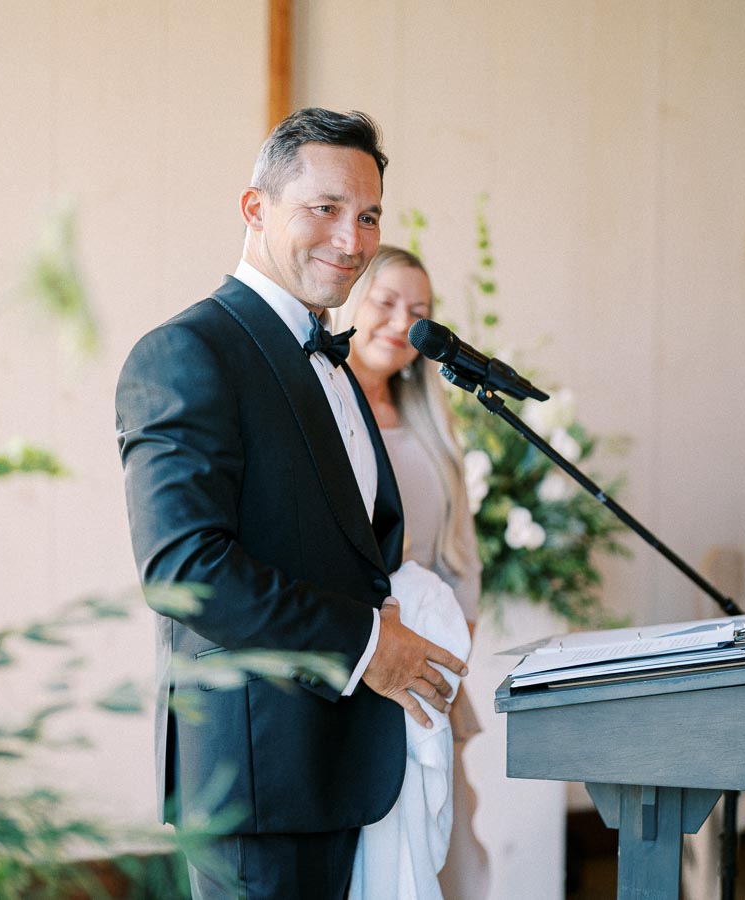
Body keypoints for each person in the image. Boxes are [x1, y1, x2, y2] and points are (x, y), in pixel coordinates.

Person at [115, 108, 468, 900]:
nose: (352, 240)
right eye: (325, 209)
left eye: (369, 215)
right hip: (259, 784)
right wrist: (367, 646)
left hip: (352, 766)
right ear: (255, 210)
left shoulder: (335, 364)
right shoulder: (187, 353)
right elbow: (185, 567)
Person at [332, 246, 489, 897]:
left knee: (451, 852)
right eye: (386, 302)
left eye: (419, 312)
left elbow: (459, 554)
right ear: (351, 302)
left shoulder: (431, 426)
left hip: (433, 665)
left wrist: (454, 650)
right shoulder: (326, 412)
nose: (402, 323)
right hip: (361, 660)